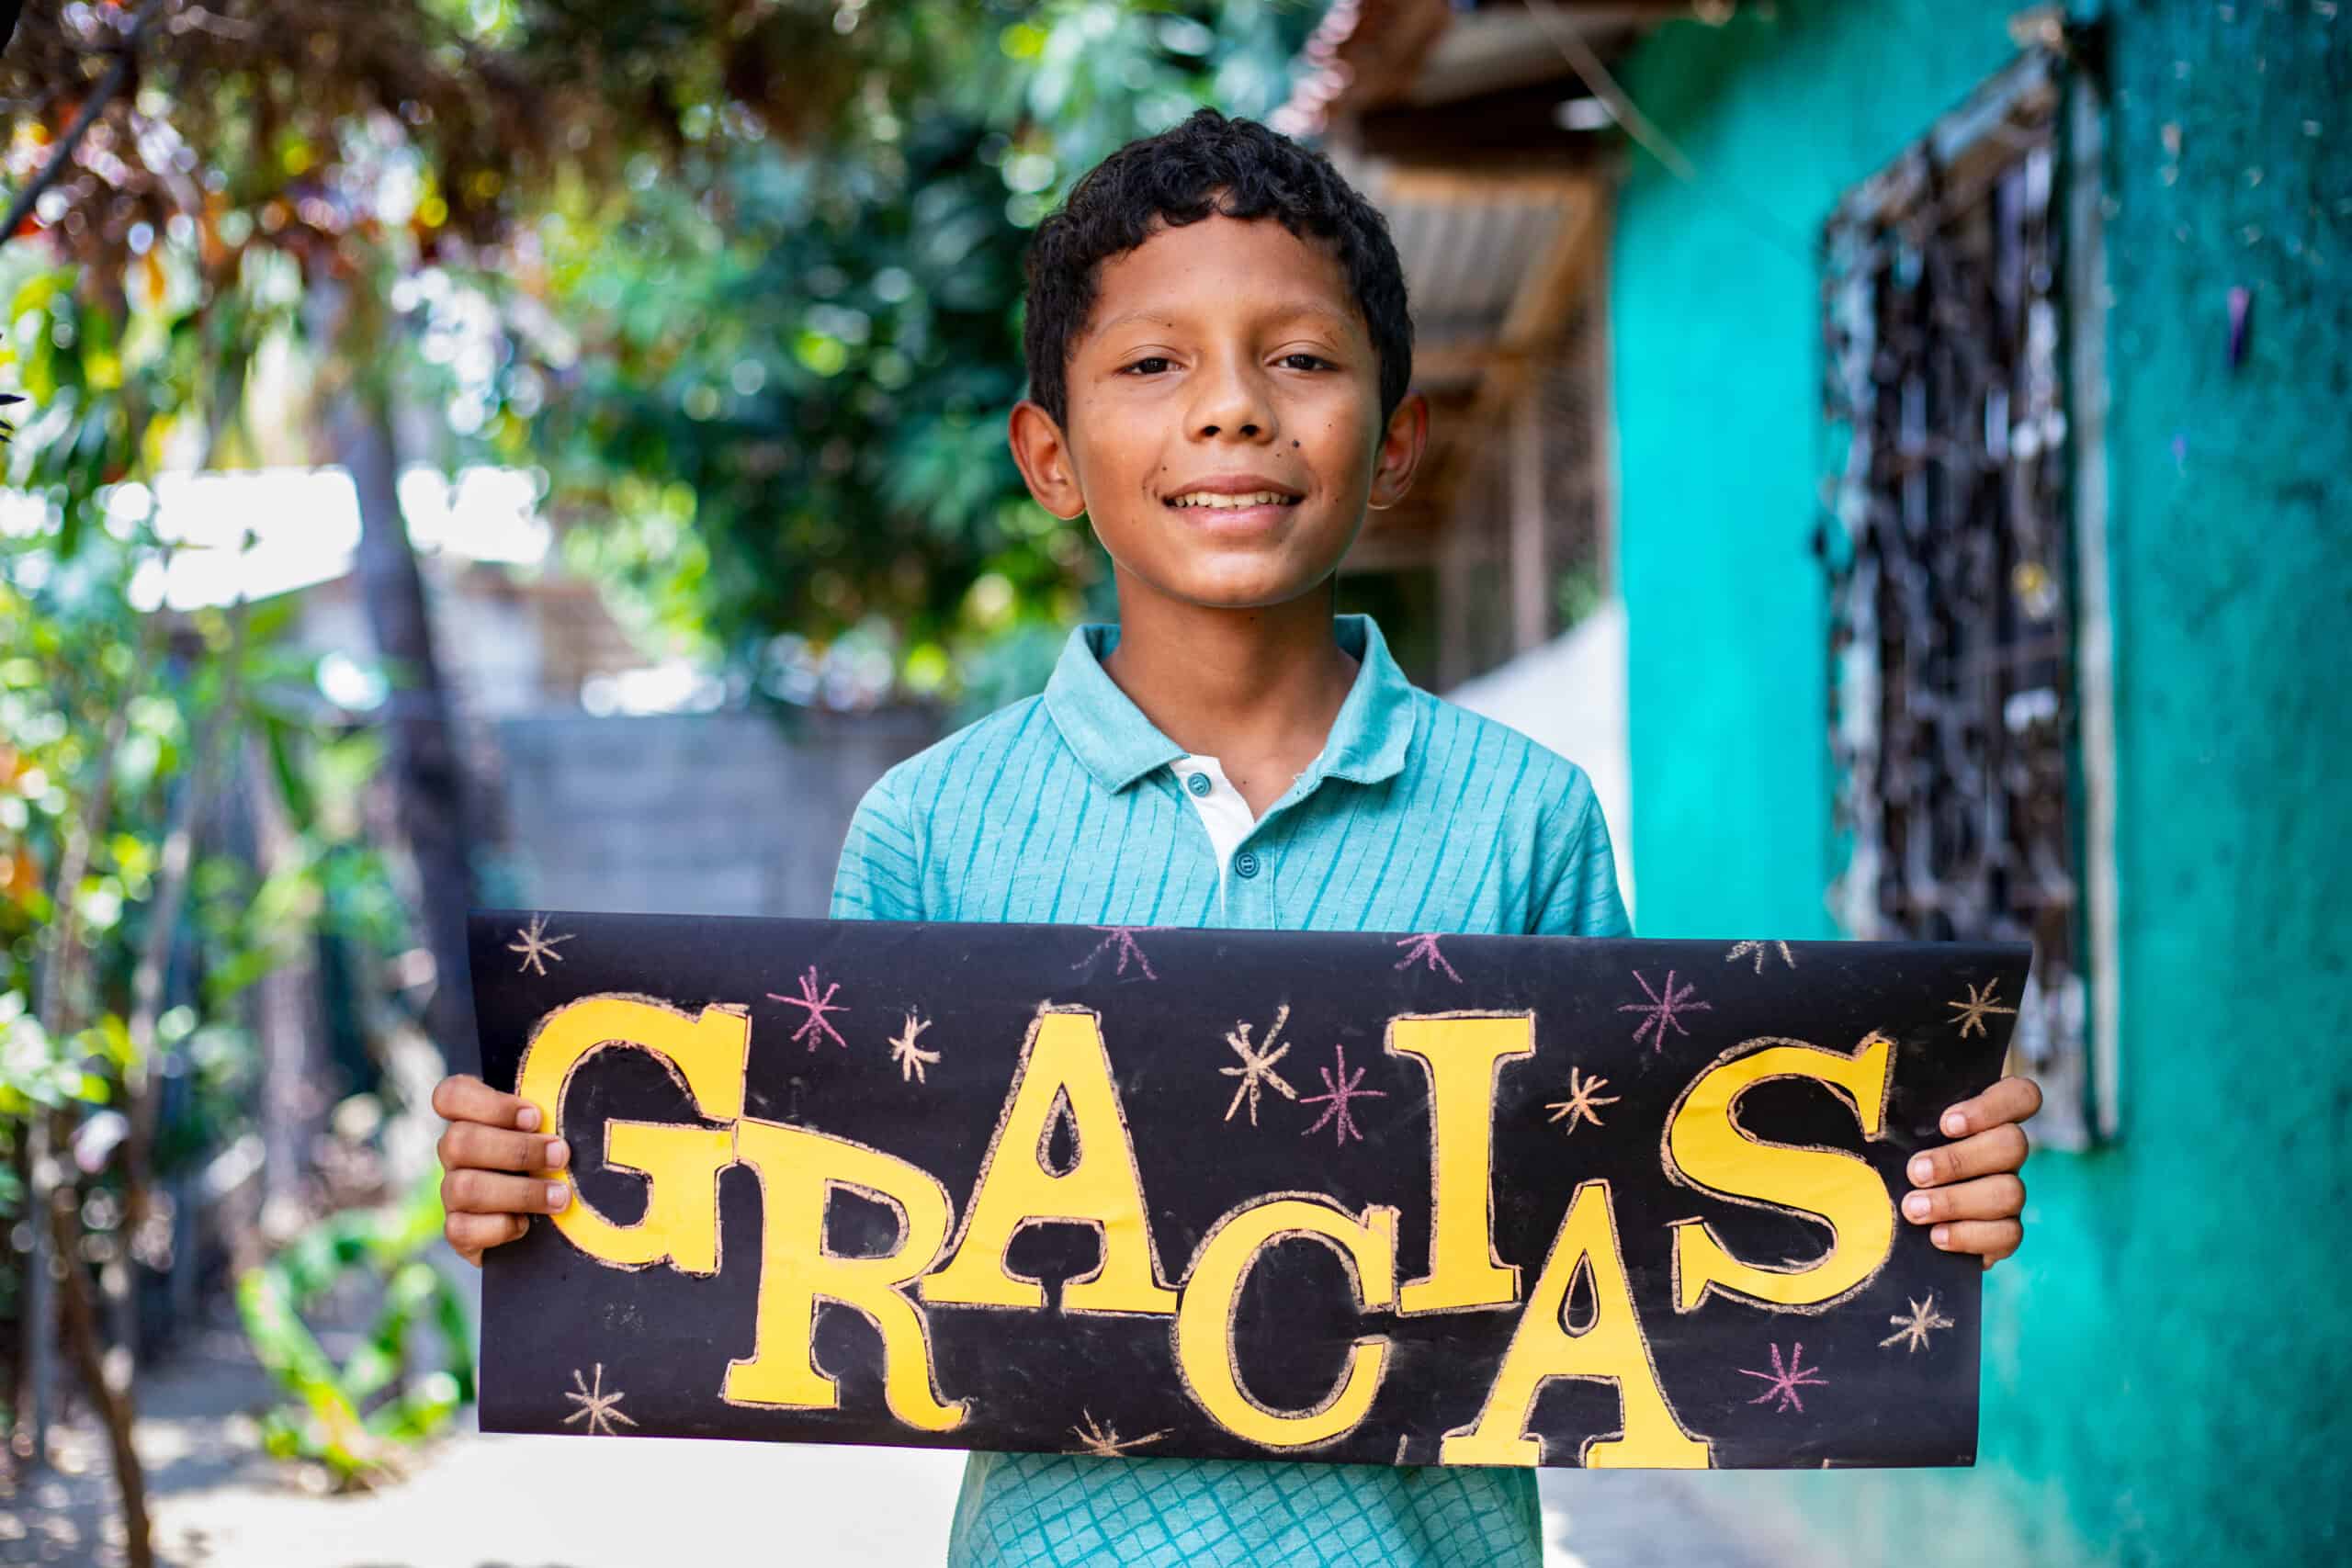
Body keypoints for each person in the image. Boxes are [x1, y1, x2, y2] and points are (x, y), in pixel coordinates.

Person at [430, 107, 2041, 1567]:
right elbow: (819, 1221)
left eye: (1300, 360)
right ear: (1049, 456)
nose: (1230, 413)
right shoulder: (927, 833)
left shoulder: (1523, 815)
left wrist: (1910, 1191)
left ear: (1393, 442)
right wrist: (553, 1189)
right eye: (1152, 365)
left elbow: (1633, 1208)